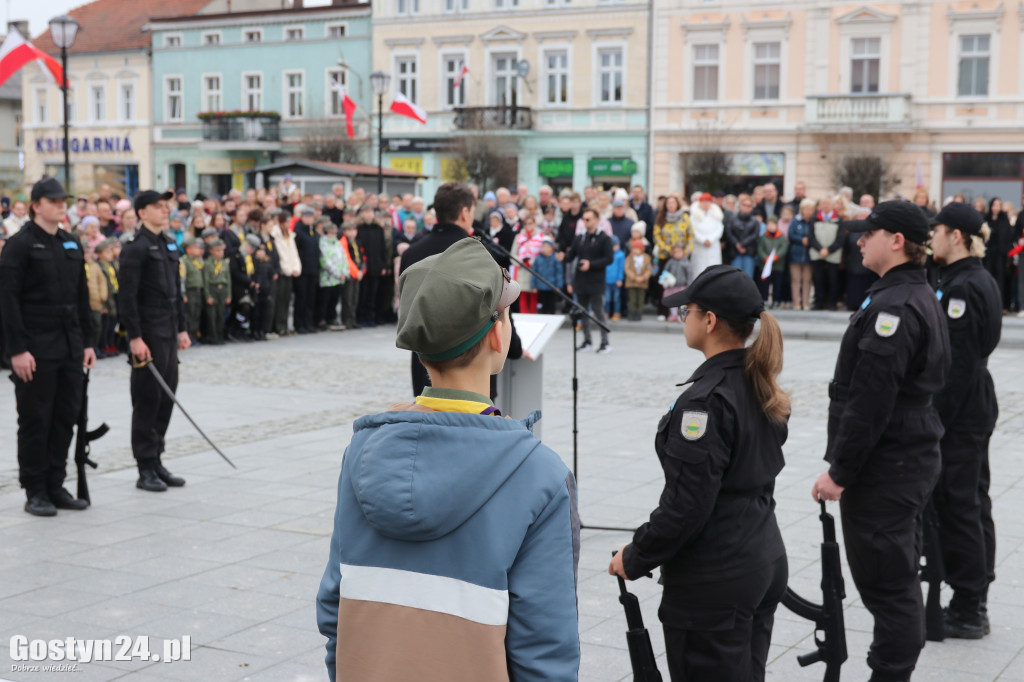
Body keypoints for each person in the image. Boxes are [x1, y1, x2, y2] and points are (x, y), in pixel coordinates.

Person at [316, 238, 579, 682]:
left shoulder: (361, 450)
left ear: (420, 349)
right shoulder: (541, 474)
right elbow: (545, 647)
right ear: (497, 335)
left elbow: (334, 608)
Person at [609, 264, 789, 681]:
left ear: (709, 321)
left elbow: (687, 505)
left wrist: (636, 555)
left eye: (685, 311)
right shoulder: (756, 380)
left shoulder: (704, 402)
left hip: (716, 577)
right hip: (760, 556)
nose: (681, 318)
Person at [811, 201, 951, 682]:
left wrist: (840, 472)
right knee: (893, 576)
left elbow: (871, 401)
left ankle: (890, 672)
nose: (859, 240)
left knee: (888, 586)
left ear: (896, 241)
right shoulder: (908, 293)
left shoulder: (894, 306)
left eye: (868, 233)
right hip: (903, 457)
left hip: (887, 465)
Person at [0, 178, 96, 516]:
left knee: (65, 417)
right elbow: (7, 301)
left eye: (62, 201)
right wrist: (17, 350)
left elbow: (82, 296)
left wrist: (88, 342)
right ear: (36, 206)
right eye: (53, 201)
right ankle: (35, 489)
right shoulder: (20, 245)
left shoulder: (70, 242)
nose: (60, 206)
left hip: (69, 345)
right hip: (36, 346)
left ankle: (56, 484)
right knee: (35, 419)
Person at [929, 202, 1002, 639]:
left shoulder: (963, 286)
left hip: (962, 411)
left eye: (936, 230)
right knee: (973, 500)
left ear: (956, 236)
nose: (931, 238)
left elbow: (957, 365)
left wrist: (935, 420)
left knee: (960, 505)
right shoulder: (972, 277)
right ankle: (975, 596)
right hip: (974, 404)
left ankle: (969, 606)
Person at [118, 190, 192, 492]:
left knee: (166, 397)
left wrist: (182, 328)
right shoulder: (135, 248)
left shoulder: (168, 243)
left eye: (166, 206)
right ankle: (145, 465)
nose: (165, 210)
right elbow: (127, 297)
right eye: (158, 206)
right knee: (148, 398)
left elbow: (176, 289)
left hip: (168, 329)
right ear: (141, 213)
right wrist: (135, 337)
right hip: (148, 332)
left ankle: (157, 458)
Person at [399, 182, 477, 396]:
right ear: (464, 212)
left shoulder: (412, 253)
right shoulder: (478, 254)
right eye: (472, 211)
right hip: (466, 361)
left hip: (424, 361)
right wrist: (514, 347)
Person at [561, 208, 614, 354]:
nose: (585, 222)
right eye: (583, 219)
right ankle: (587, 341)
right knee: (582, 312)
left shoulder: (604, 238)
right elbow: (571, 255)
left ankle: (605, 342)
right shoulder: (580, 237)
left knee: (598, 311)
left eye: (588, 219)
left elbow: (609, 259)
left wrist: (591, 264)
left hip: (596, 281)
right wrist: (563, 256)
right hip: (581, 280)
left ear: (596, 220)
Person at [808, 196, 843, 310]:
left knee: (833, 280)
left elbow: (840, 239)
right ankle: (818, 303)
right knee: (818, 279)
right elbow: (811, 236)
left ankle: (832, 304)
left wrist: (829, 250)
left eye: (828, 203)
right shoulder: (815, 218)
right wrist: (820, 249)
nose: (826, 206)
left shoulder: (838, 219)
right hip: (817, 253)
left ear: (832, 205)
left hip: (833, 254)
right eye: (824, 203)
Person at [293, 209, 320, 334]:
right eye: (306, 217)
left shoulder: (314, 232)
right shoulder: (298, 231)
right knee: (301, 298)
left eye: (311, 217)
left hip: (313, 270)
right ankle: (299, 324)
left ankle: (308, 323)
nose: (309, 220)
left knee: (310, 298)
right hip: (302, 271)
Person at [689, 193, 724, 278]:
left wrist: (710, 239)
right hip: (699, 246)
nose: (705, 204)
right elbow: (693, 230)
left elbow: (719, 229)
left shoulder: (716, 214)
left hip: (713, 246)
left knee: (714, 271)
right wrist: (703, 240)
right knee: (699, 270)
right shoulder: (694, 215)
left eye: (707, 202)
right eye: (703, 202)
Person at [203, 239, 230, 345]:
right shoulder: (207, 263)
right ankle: (212, 336)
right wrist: (207, 295)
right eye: (217, 250)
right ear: (211, 251)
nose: (220, 252)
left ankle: (220, 335)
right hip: (212, 288)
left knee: (220, 314)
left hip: (222, 290)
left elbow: (228, 280)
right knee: (212, 315)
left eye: (222, 250)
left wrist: (228, 295)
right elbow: (205, 281)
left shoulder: (224, 263)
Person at [788, 199, 814, 311]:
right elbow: (791, 235)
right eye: (807, 209)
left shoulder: (813, 221)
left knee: (807, 280)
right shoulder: (795, 220)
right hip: (795, 254)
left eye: (811, 209)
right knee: (796, 280)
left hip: (809, 256)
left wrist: (810, 240)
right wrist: (801, 240)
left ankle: (806, 302)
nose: (809, 211)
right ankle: (797, 302)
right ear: (802, 210)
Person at [757, 215, 789, 306]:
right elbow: (760, 249)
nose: (771, 226)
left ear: (776, 225)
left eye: (773, 224)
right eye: (769, 224)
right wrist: (765, 258)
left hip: (778, 265)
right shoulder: (763, 237)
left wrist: (776, 256)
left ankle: (776, 300)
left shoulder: (781, 236)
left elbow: (784, 248)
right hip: (765, 265)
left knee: (777, 284)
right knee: (765, 284)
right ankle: (765, 299)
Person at [181, 238, 205, 344]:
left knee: (196, 314)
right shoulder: (184, 261)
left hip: (198, 291)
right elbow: (182, 279)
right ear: (188, 249)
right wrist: (183, 294)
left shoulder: (198, 261)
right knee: (190, 315)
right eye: (195, 247)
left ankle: (195, 335)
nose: (199, 250)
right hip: (189, 291)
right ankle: (189, 336)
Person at [624, 238, 653, 321]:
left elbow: (649, 269)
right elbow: (627, 269)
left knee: (640, 299)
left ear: (642, 249)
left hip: (642, 282)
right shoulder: (629, 258)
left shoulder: (646, 258)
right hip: (632, 282)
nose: (635, 251)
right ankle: (632, 313)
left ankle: (639, 313)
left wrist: (643, 277)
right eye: (634, 249)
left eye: (637, 249)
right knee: (632, 299)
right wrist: (634, 277)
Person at [533, 238, 563, 314]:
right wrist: (534, 285)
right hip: (541, 287)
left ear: (551, 248)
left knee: (551, 305)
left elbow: (559, 273)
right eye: (543, 246)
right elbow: (534, 273)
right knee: (543, 306)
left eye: (547, 246)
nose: (545, 248)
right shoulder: (538, 259)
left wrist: (558, 285)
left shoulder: (555, 258)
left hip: (552, 287)